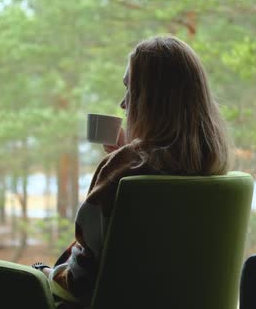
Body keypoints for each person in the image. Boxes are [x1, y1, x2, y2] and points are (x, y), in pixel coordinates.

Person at [32, 35, 232, 308]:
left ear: (152, 100)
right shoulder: (215, 169)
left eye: (130, 90)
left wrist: (44, 273)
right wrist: (130, 154)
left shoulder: (121, 170)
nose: (123, 104)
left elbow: (79, 282)